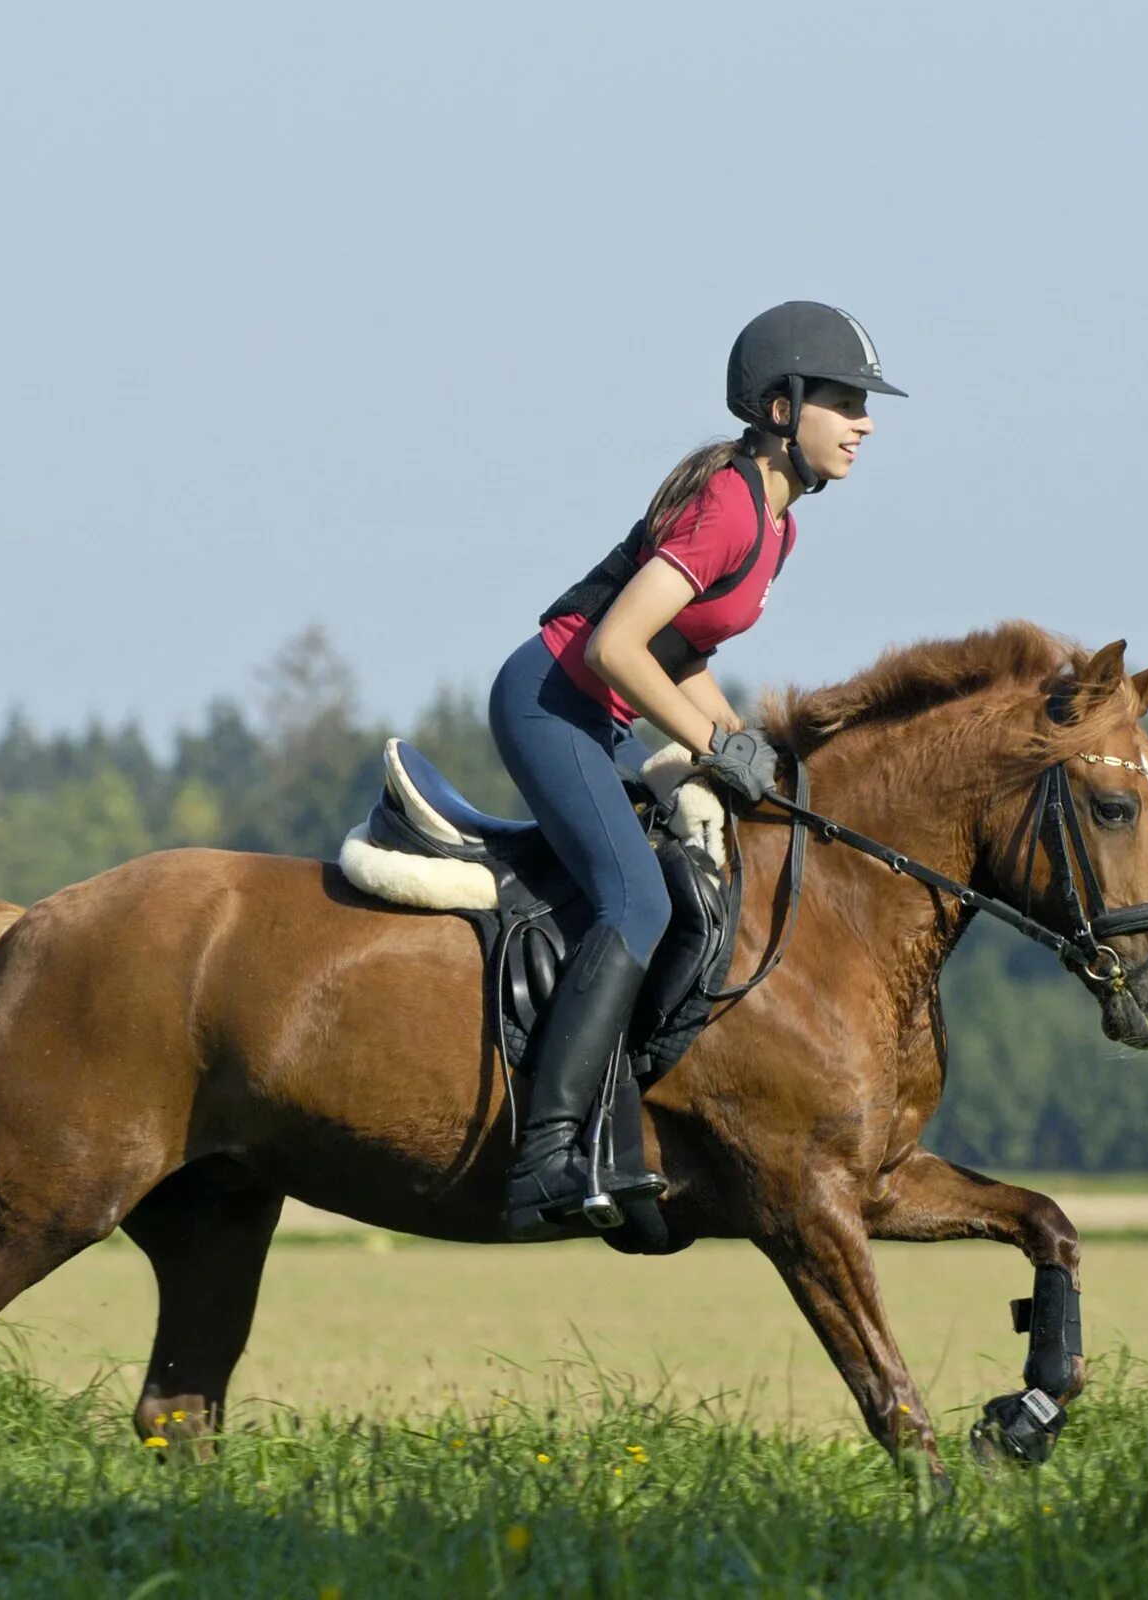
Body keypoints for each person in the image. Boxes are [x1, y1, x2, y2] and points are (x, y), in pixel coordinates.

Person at [488, 301, 905, 1239]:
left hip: (597, 709)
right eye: (846, 401)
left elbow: (681, 653)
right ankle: (548, 1154)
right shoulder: (729, 503)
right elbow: (615, 647)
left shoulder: (778, 525)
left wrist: (749, 745)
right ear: (782, 407)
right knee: (639, 901)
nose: (866, 423)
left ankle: (618, 1119)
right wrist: (715, 747)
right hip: (552, 702)